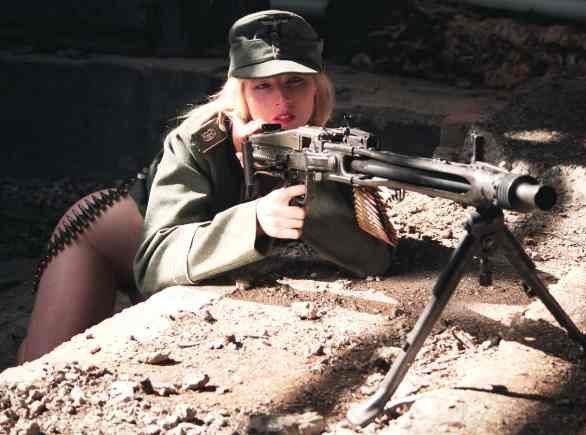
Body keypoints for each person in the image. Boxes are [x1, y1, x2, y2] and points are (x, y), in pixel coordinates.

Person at [17, 10, 392, 364]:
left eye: (296, 82)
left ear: (317, 88)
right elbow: (154, 263)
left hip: (186, 255)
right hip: (104, 238)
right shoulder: (198, 141)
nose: (282, 100)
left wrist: (309, 185)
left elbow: (375, 258)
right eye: (263, 86)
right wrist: (255, 220)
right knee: (42, 363)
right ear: (240, 93)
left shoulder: (322, 145)